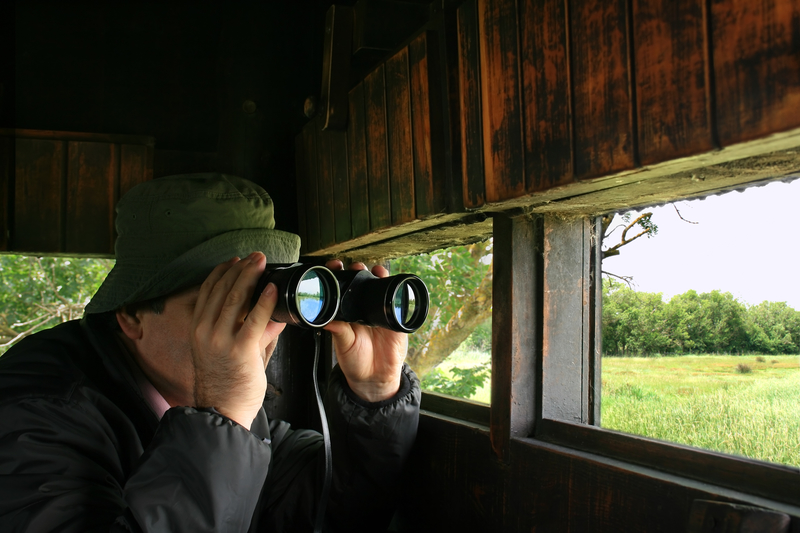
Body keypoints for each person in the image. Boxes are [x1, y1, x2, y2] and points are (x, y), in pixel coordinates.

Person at [0, 173, 421, 532]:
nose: (251, 326)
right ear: (131, 315)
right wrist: (221, 418)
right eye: (220, 302)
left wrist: (374, 394)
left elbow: (330, 510)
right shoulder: (33, 413)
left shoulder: (213, 394)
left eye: (266, 301)